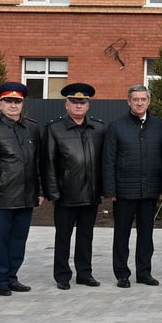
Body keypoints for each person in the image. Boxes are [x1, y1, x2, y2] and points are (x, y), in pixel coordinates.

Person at [0, 82, 44, 296]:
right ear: (0, 103)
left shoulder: (32, 127)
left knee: (18, 240)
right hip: (1, 197)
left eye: (17, 101)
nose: (13, 105)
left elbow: (38, 162)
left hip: (26, 196)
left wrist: (40, 191)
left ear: (23, 103)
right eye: (8, 101)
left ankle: (12, 276)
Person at [43, 83, 107, 290]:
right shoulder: (54, 128)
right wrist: (53, 192)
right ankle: (62, 275)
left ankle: (84, 273)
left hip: (91, 192)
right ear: (66, 104)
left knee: (86, 236)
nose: (79, 106)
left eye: (83, 102)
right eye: (74, 102)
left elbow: (105, 161)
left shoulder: (99, 128)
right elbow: (49, 163)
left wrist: (104, 189)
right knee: (63, 237)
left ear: (88, 105)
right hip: (66, 193)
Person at [102, 84, 162, 287]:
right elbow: (108, 160)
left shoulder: (159, 125)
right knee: (122, 234)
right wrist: (110, 190)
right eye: (135, 99)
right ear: (128, 101)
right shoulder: (116, 126)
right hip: (123, 192)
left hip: (150, 190)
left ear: (149, 102)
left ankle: (144, 272)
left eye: (143, 99)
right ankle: (122, 274)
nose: (139, 103)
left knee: (146, 235)